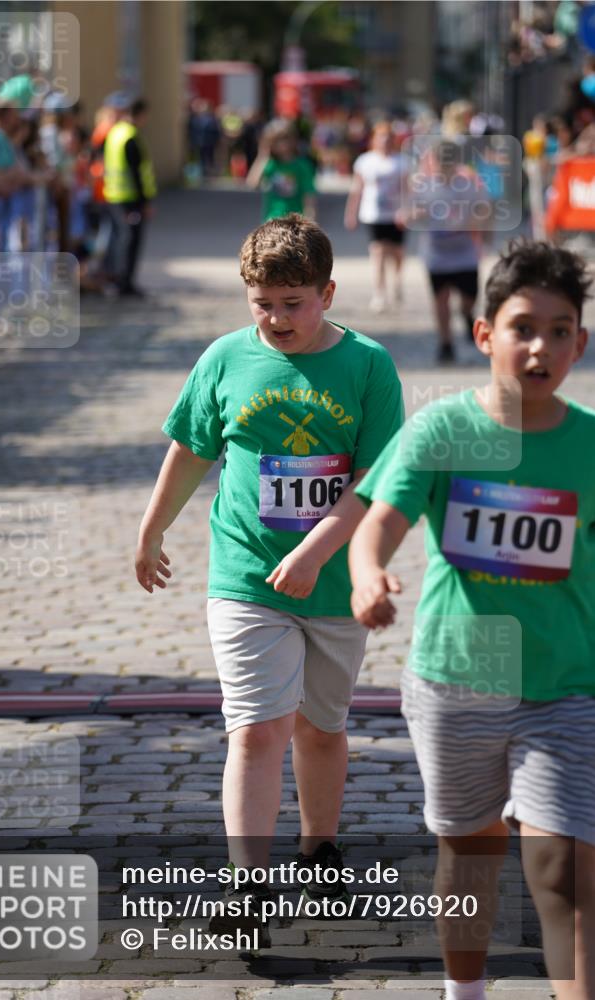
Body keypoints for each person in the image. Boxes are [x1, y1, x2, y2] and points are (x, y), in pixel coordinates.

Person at [135, 213, 403, 932]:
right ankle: (246, 887)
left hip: (334, 582)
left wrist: (318, 550)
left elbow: (377, 479)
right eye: (263, 303)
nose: (278, 318)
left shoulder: (367, 364)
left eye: (294, 302)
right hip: (245, 577)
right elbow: (191, 447)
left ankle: (319, 852)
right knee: (257, 728)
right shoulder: (223, 359)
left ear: (327, 292)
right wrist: (152, 526)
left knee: (320, 726)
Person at [349, 241, 594, 1000]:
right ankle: (466, 991)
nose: (540, 348)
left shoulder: (589, 443)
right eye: (522, 327)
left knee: (563, 866)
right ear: (484, 334)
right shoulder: (439, 431)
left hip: (566, 680)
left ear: (580, 344)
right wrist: (367, 575)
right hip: (460, 679)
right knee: (470, 853)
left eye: (560, 331)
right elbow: (376, 525)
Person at [411, 140, 486, 365]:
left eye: (448, 160)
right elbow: (410, 213)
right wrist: (415, 215)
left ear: (456, 162)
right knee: (440, 300)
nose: (444, 165)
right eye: (440, 160)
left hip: (464, 254)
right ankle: (446, 344)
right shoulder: (423, 186)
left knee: (468, 300)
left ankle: (466, 314)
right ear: (433, 162)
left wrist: (473, 222)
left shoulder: (469, 185)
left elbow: (483, 209)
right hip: (436, 256)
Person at [344, 121, 408, 312]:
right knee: (378, 252)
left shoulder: (401, 162)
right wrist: (351, 213)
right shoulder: (365, 161)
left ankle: (397, 283)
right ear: (374, 140)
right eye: (381, 138)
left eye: (388, 139)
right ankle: (379, 293)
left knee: (397, 253)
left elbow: (407, 190)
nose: (385, 142)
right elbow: (357, 188)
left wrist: (406, 210)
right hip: (373, 214)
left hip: (395, 214)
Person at [103, 95, 156, 297]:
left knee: (118, 240)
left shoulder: (115, 132)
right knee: (130, 241)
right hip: (130, 199)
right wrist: (145, 202)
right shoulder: (130, 136)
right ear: (139, 114)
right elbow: (136, 172)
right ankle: (125, 283)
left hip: (114, 195)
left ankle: (117, 279)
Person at [246, 120, 316, 221]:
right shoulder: (269, 164)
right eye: (275, 141)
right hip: (271, 219)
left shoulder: (301, 165)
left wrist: (310, 220)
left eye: (284, 139)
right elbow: (252, 183)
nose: (281, 144)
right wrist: (262, 156)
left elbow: (309, 197)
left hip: (294, 220)